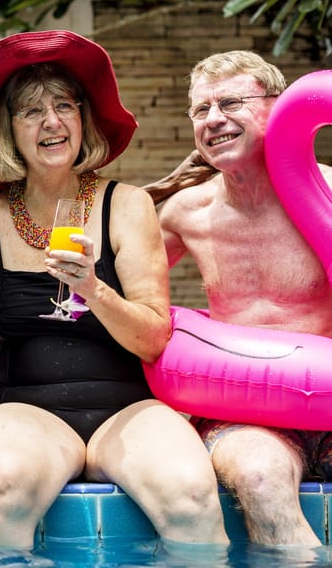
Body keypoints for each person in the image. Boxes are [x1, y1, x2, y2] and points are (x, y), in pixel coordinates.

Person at [0, 30, 229, 549]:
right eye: (31, 111)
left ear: (82, 118)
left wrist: (93, 288)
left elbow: (155, 337)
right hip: (25, 409)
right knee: (5, 490)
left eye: (64, 105)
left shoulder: (128, 205)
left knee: (192, 496)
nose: (51, 121)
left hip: (128, 408)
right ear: (9, 131)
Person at [155, 50, 332, 546]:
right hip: (246, 412)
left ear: (278, 107)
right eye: (200, 109)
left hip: (330, 395)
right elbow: (119, 282)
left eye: (231, 102)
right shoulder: (186, 212)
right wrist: (161, 187)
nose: (213, 120)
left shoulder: (331, 192)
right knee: (259, 478)